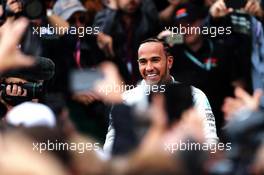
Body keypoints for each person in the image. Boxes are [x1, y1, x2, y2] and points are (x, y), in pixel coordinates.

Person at [103, 38, 219, 155]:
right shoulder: (126, 99)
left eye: (155, 60)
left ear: (169, 62)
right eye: (143, 62)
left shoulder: (195, 95)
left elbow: (210, 141)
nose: (149, 68)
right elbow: (110, 148)